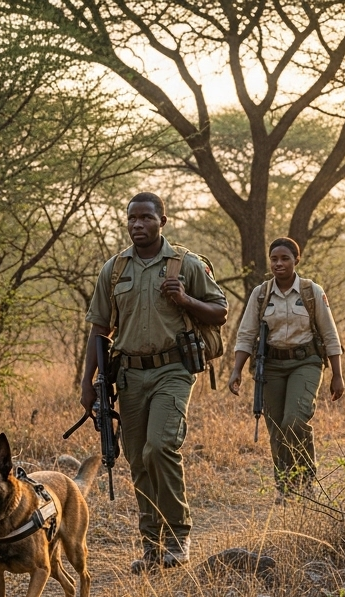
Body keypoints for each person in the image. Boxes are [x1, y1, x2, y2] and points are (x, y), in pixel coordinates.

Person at [80, 192, 227, 574]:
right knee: (136, 459)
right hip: (129, 374)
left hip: (173, 369)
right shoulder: (114, 269)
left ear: (163, 219)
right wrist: (87, 383)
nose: (137, 225)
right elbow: (99, 328)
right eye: (132, 218)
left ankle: (178, 536)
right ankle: (152, 546)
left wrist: (187, 301)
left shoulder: (186, 264)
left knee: (159, 447)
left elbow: (221, 310)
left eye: (146, 218)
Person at [227, 237, 344, 498]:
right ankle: (285, 487)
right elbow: (246, 334)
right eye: (274, 259)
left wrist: (337, 374)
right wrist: (237, 370)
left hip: (306, 363)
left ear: (296, 261)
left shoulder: (311, 291)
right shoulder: (261, 294)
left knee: (294, 420)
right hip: (271, 366)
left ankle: (305, 480)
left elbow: (330, 335)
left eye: (284, 259)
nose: (278, 264)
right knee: (276, 428)